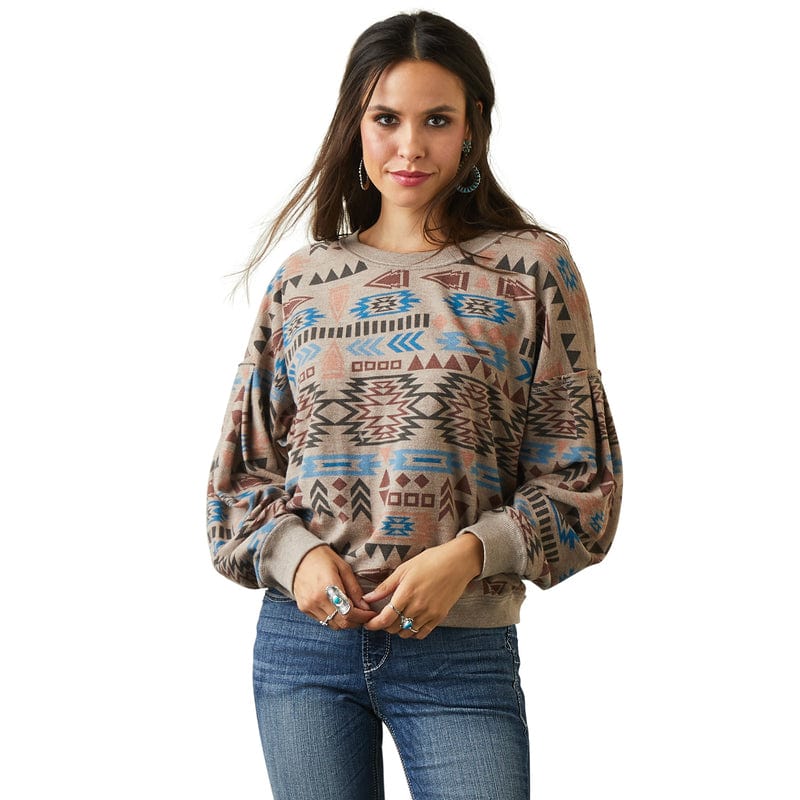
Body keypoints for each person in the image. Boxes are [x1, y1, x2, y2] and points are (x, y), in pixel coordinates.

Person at [206, 10, 622, 800]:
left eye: (437, 119)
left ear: (472, 129)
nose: (409, 146)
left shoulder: (532, 269)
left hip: (459, 655)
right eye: (386, 118)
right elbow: (240, 485)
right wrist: (298, 559)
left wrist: (468, 555)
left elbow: (584, 485)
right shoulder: (303, 281)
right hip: (304, 649)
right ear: (355, 125)